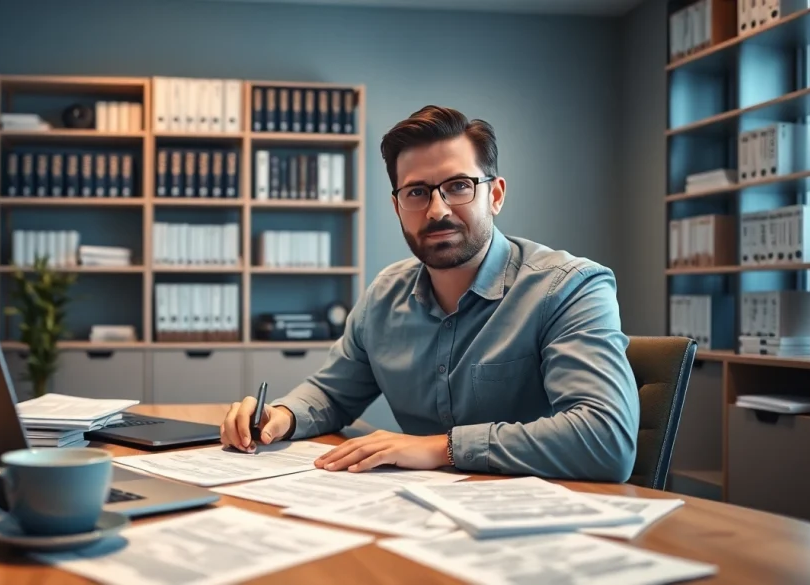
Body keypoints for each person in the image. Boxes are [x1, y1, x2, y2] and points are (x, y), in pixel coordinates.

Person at [220, 105, 640, 483]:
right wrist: (282, 416)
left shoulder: (569, 287)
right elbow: (332, 393)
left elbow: (606, 439)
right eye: (417, 192)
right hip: (423, 516)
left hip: (546, 526)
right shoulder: (385, 295)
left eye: (458, 186)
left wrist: (444, 447)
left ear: (494, 195)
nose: (437, 210)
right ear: (398, 206)